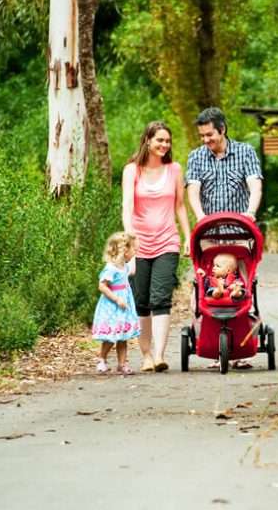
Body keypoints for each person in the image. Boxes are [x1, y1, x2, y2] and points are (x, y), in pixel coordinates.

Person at [186, 107, 262, 368]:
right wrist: (200, 216)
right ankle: (210, 344)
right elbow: (194, 190)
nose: (206, 140)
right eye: (202, 136)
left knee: (242, 283)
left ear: (222, 129)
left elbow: (254, 184)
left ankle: (241, 346)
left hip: (239, 234)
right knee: (207, 284)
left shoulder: (245, 152)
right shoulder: (196, 157)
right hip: (209, 234)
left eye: (210, 135)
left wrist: (250, 212)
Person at [122, 121, 191, 373]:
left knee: (160, 297)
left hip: (167, 241)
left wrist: (188, 236)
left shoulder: (174, 169)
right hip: (139, 243)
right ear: (148, 141)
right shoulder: (132, 170)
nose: (164, 145)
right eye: (159, 140)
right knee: (141, 301)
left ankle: (160, 355)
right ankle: (147, 355)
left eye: (167, 141)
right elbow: (127, 207)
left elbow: (180, 206)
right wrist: (130, 241)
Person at [92, 232, 141, 375]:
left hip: (124, 306)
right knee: (111, 336)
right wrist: (116, 299)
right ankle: (102, 359)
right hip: (112, 307)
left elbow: (130, 274)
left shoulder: (124, 267)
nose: (135, 252)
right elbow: (102, 286)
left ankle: (122, 363)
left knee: (123, 336)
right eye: (134, 249)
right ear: (125, 251)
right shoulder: (111, 268)